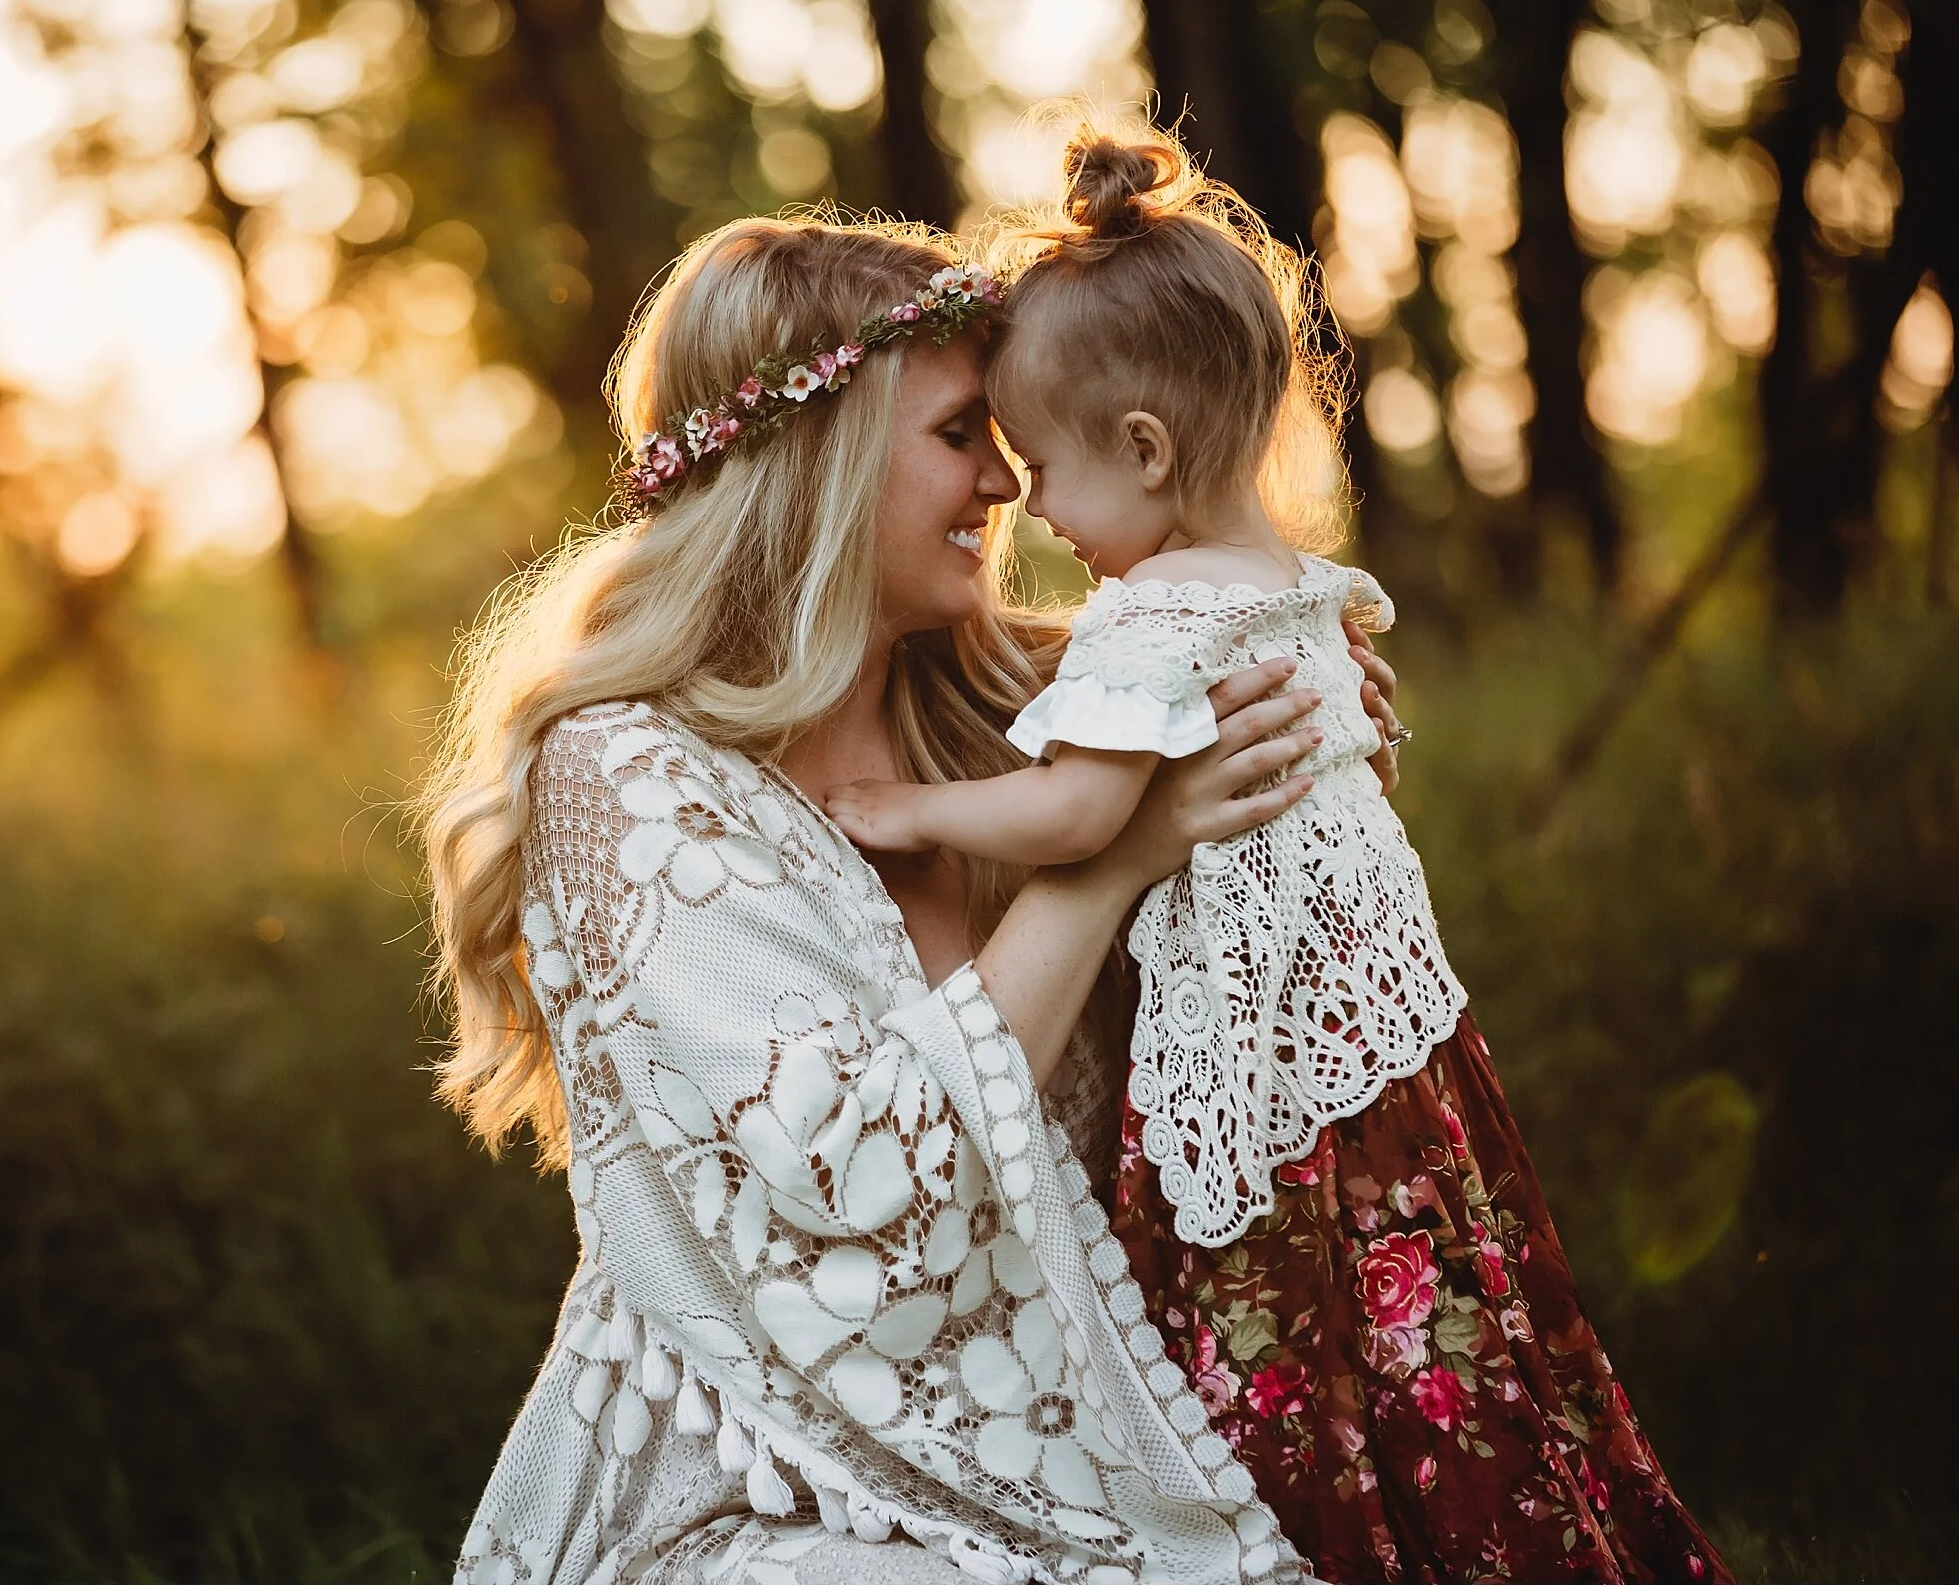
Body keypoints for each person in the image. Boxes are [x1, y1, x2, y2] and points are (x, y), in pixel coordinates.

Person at [417, 213, 1408, 1583]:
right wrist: (1108, 864)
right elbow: (871, 1189)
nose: (1006, 483)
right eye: (958, 435)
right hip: (767, 1491)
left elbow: (1268, 1030)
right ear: (817, 462)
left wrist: (1315, 778)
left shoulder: (1054, 724)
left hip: (1105, 1438)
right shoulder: (629, 777)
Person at [825, 122, 1727, 1582]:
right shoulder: (1306, 590)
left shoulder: (1158, 614)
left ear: (1144, 448)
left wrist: (907, 811)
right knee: (1441, 1329)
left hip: (1267, 1076)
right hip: (1394, 1060)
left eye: (1042, 465)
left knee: (1289, 1356)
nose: (1031, 505)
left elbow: (1076, 816)